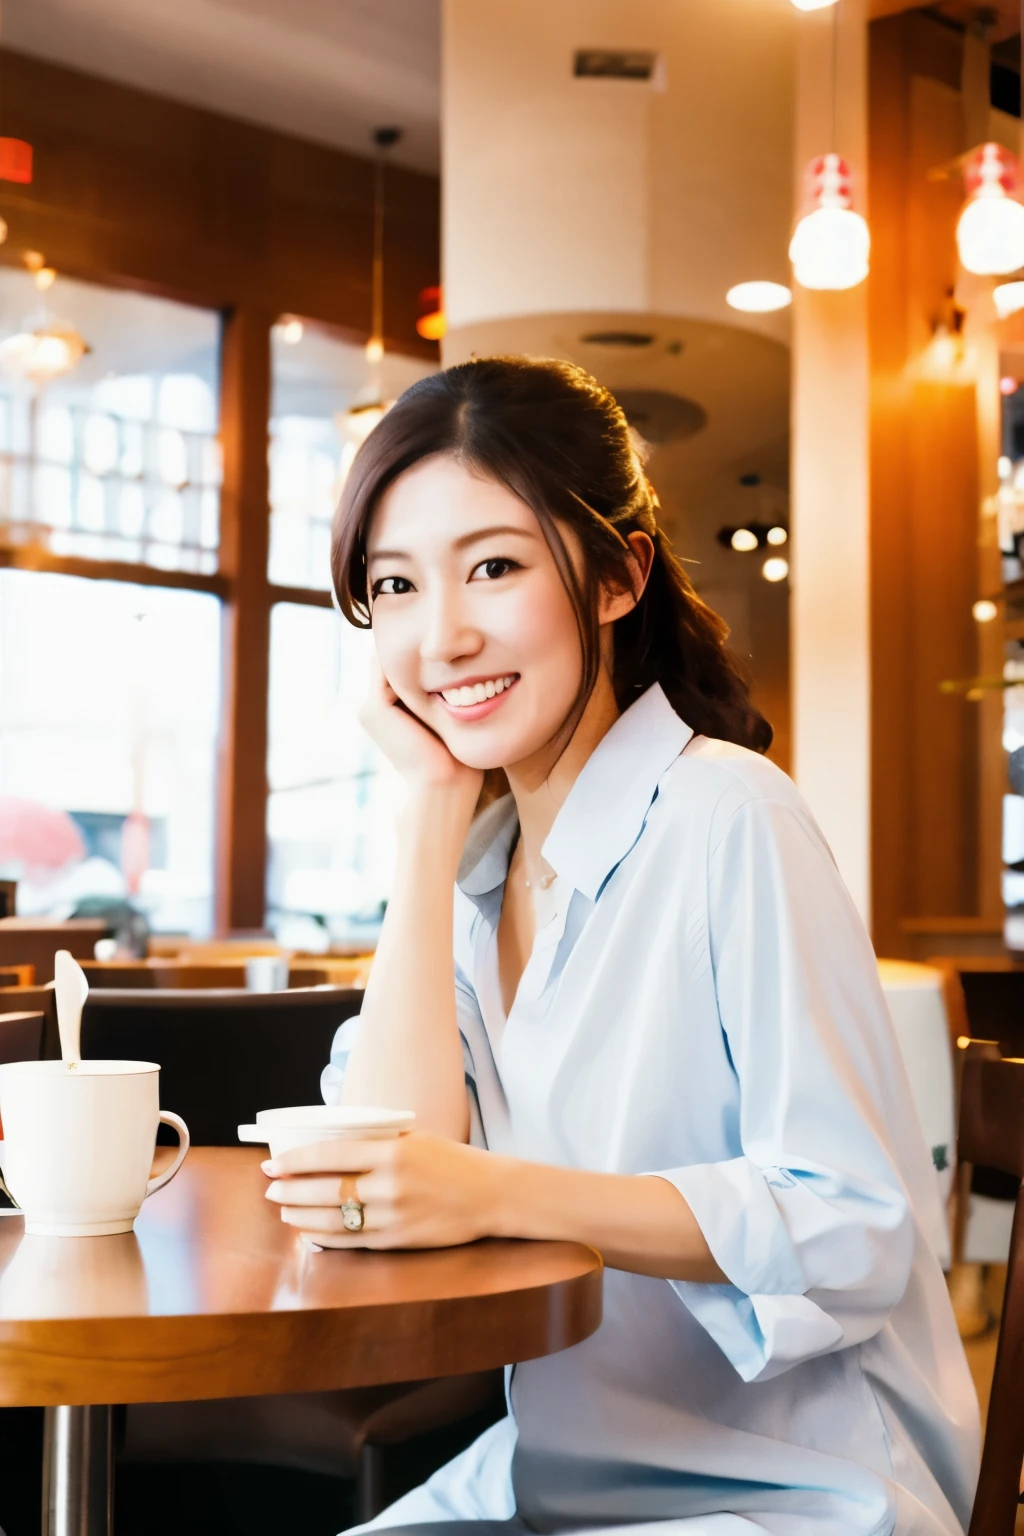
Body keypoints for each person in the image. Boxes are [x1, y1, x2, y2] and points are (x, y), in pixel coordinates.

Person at [263, 357, 980, 1536]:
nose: (440, 636)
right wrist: (434, 816)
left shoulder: (728, 816)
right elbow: (379, 1165)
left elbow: (849, 1223)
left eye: (492, 565)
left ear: (615, 574)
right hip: (554, 1479)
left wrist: (498, 1193)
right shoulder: (480, 870)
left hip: (793, 1490)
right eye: (392, 587)